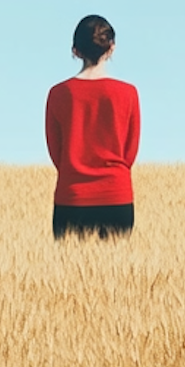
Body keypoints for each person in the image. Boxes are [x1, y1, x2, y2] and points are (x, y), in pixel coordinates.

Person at [45, 15, 140, 239]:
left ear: (75, 50)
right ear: (111, 48)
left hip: (72, 197)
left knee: (68, 272)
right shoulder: (128, 94)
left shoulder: (58, 94)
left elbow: (55, 150)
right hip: (117, 196)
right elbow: (130, 150)